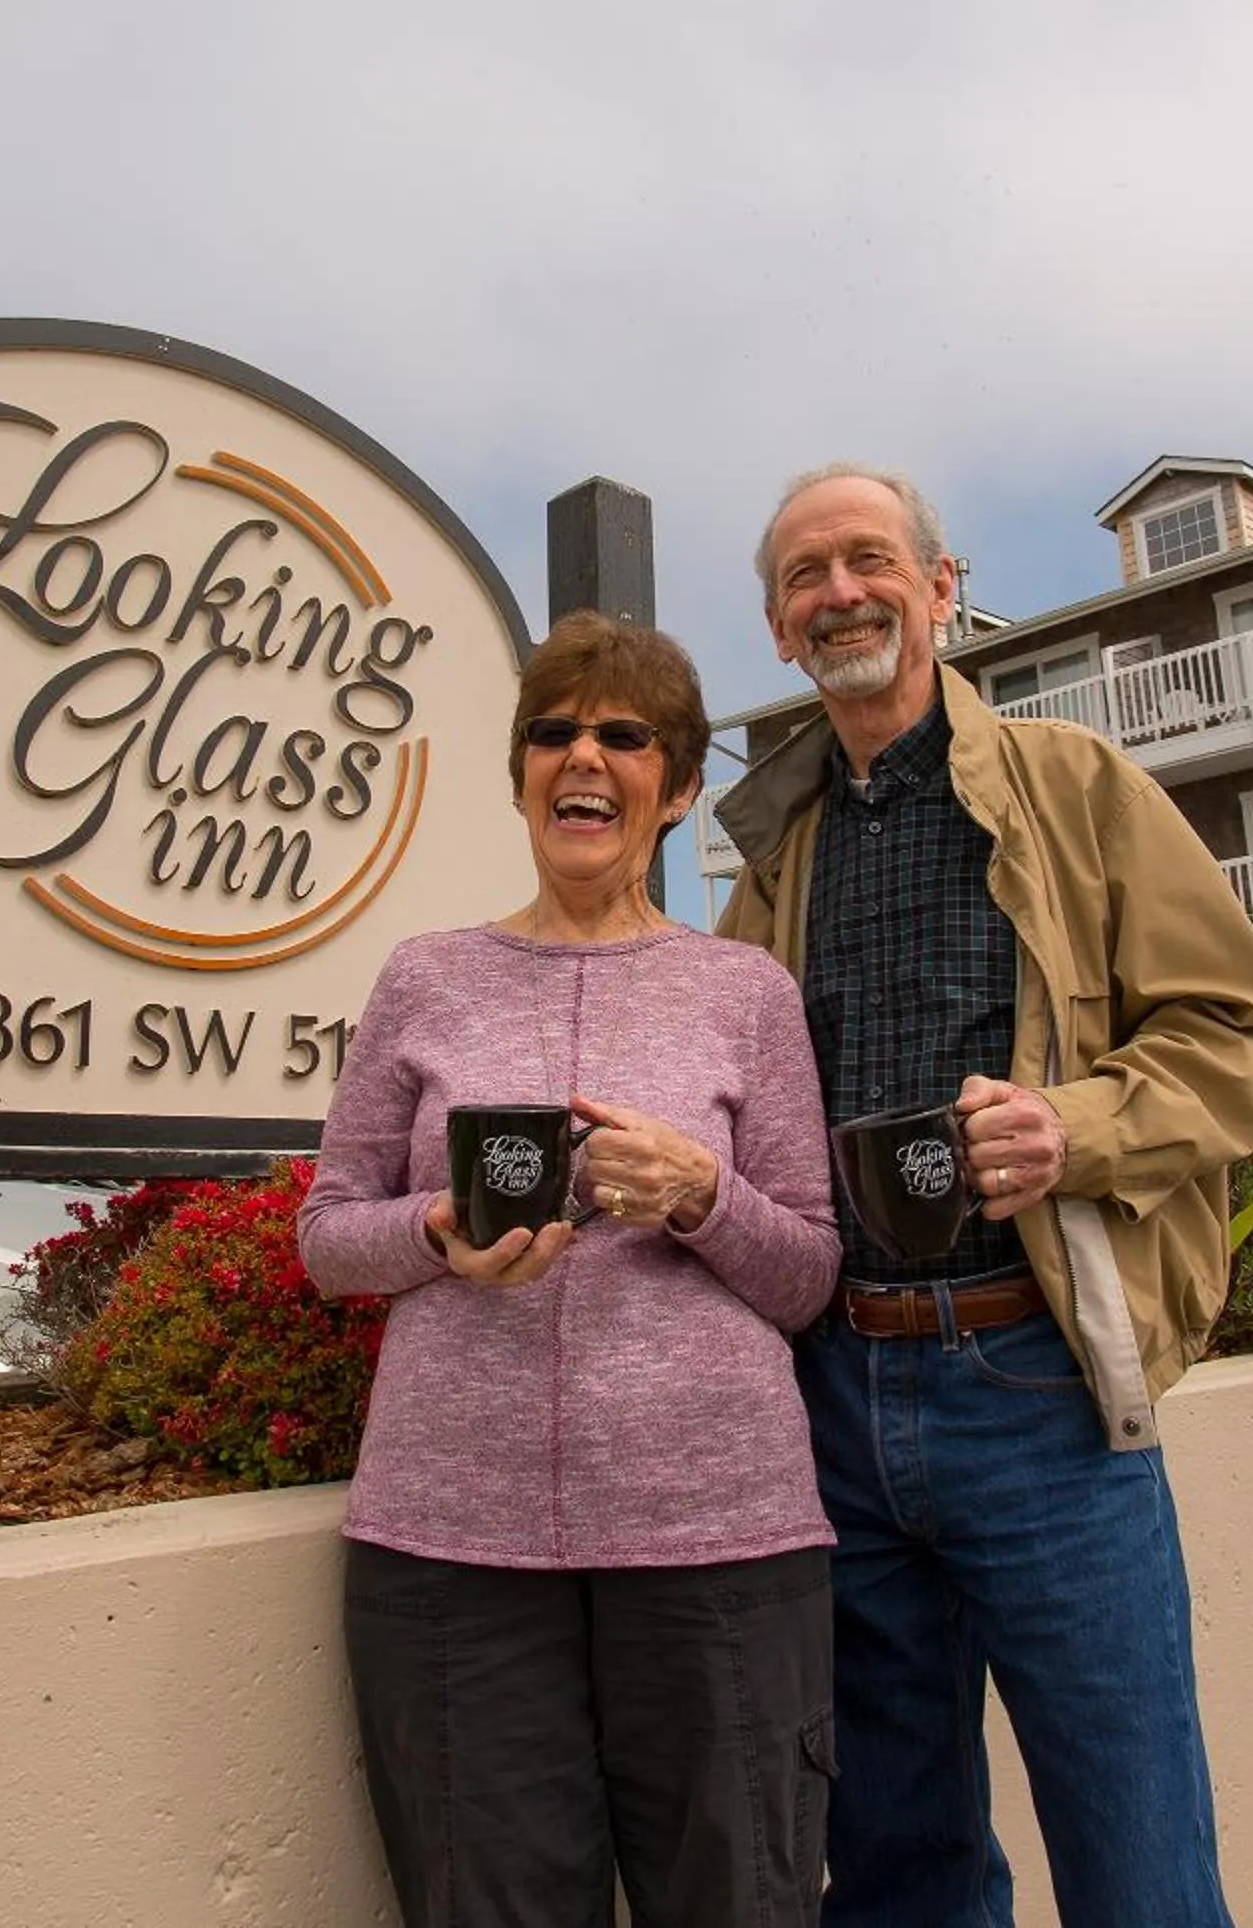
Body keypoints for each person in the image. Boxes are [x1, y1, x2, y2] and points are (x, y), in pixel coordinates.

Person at [715, 465, 1253, 1925]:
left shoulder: (1077, 785)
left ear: (942, 585)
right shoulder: (773, 858)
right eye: (806, 576)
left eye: (868, 560)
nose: (840, 591)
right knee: (900, 1861)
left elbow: (1242, 1025)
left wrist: (1078, 1127)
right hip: (839, 1399)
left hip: (1037, 1378)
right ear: (783, 631)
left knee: (1135, 1849)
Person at [301, 610, 844, 1928]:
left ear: (678, 785)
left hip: (718, 1542)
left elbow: (810, 1271)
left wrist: (705, 1196)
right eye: (553, 731)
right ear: (521, 772)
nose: (582, 754)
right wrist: (440, 1233)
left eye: (622, 733)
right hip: (452, 1549)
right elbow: (328, 1236)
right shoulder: (425, 978)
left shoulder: (747, 991)